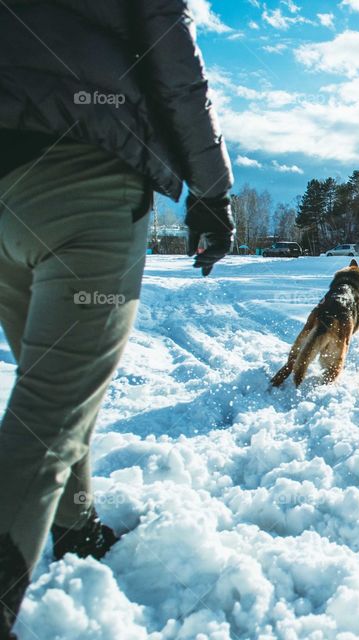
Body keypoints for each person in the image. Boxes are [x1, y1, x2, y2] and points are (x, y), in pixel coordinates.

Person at [0, 2, 235, 636]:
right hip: (84, 172)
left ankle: (75, 530)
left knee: (46, 383)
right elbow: (174, 60)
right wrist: (212, 192)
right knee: (50, 407)